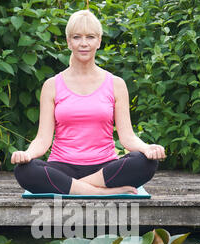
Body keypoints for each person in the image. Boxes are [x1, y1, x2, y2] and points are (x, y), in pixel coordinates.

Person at [12, 9, 166, 195]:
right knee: (24, 170)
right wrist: (27, 154)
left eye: (90, 37)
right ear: (69, 42)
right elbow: (43, 140)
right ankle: (101, 192)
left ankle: (74, 188)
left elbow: (127, 138)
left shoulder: (116, 84)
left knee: (146, 162)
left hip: (104, 168)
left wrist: (147, 148)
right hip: (62, 167)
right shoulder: (52, 85)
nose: (83, 43)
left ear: (99, 41)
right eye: (77, 37)